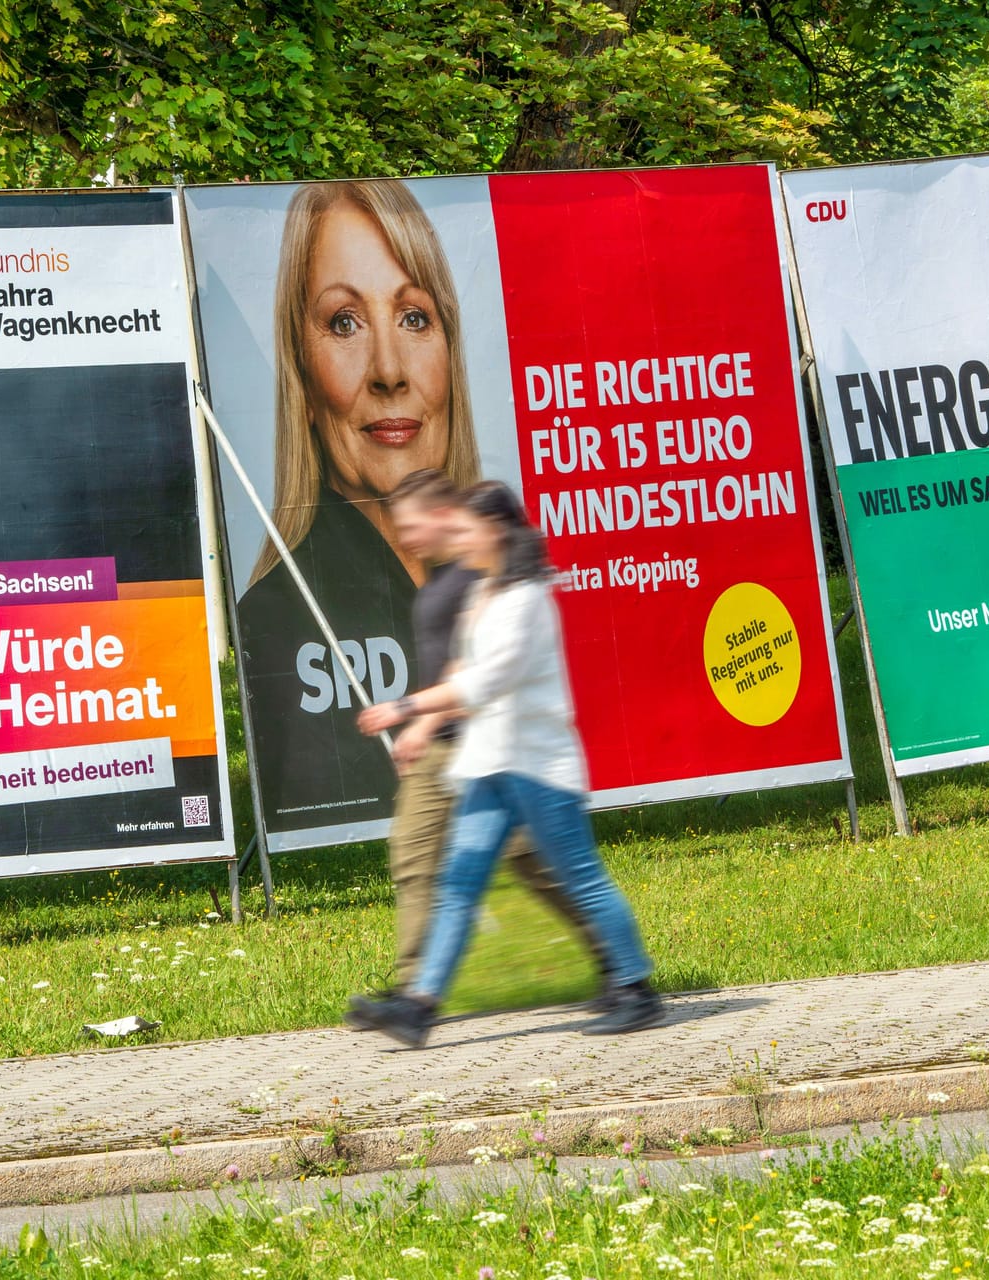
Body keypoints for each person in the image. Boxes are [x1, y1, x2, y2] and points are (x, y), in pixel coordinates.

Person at [349, 481, 663, 1047]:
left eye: (467, 528)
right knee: (458, 884)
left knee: (582, 879)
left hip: (537, 768)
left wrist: (404, 707)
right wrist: (422, 721)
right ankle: (418, 1009)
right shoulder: (485, 593)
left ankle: (636, 988)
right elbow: (465, 676)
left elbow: (486, 680)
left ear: (494, 531)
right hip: (488, 766)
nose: (457, 538)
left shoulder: (526, 600)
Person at [236, 180, 482, 839]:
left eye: (414, 318)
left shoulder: (506, 572)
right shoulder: (278, 616)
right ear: (302, 376)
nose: (388, 371)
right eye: (344, 322)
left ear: (451, 352)